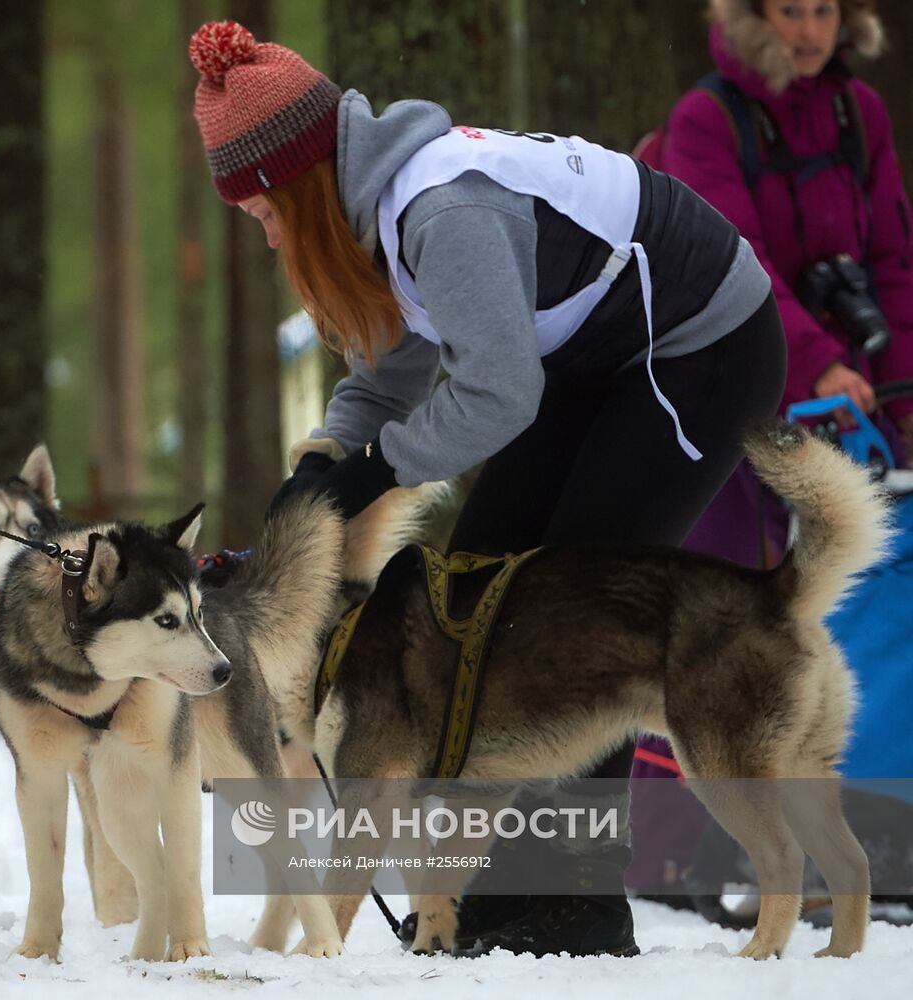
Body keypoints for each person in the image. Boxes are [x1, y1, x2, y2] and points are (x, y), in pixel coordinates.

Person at [188, 19, 788, 958]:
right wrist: (319, 467)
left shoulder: (444, 213)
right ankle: (498, 889)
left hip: (702, 345)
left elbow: (499, 395)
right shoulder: (371, 210)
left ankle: (575, 902)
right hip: (592, 356)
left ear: (297, 187)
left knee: (569, 610)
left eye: (263, 217)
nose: (267, 241)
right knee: (474, 580)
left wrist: (376, 469)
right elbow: (387, 378)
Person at [626, 0, 913, 909]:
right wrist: (816, 361)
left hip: (848, 404)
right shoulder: (707, 120)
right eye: (790, 10)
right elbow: (732, 259)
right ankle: (663, 853)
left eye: (824, 9)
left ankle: (837, 827)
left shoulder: (854, 113)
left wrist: (901, 392)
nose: (809, 30)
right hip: (724, 385)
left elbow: (894, 262)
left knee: (844, 611)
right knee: (711, 621)